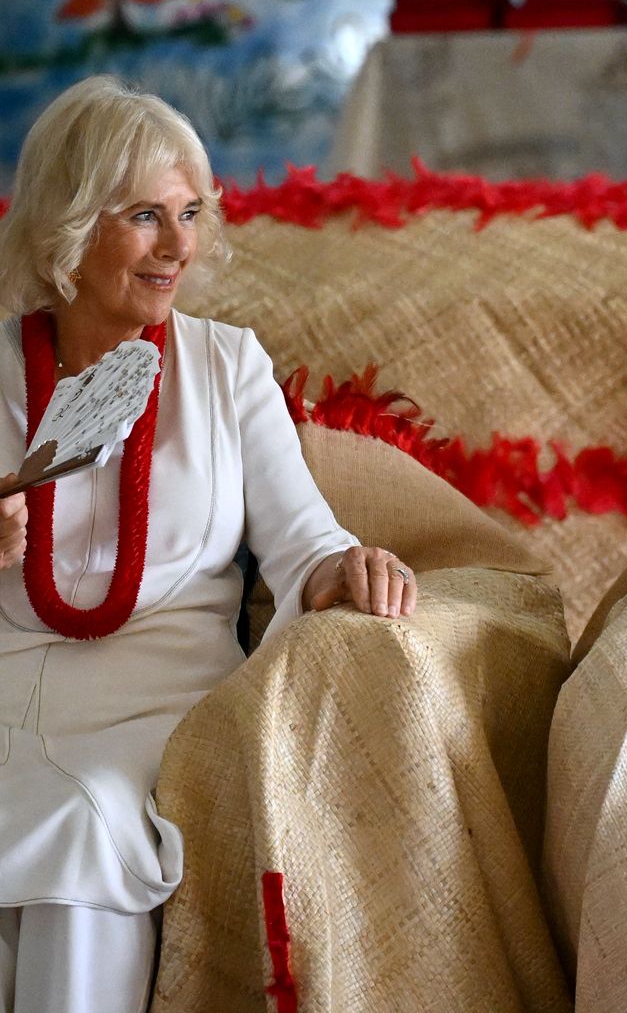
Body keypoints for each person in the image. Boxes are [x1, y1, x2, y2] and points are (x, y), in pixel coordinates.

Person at [0, 75, 417, 1012]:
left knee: (82, 827)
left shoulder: (228, 366)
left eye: (190, 213)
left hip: (156, 711)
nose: (180, 245)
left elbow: (303, 540)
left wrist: (346, 564)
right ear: (68, 226)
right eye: (146, 215)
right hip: (7, 697)